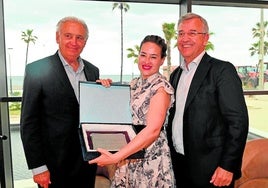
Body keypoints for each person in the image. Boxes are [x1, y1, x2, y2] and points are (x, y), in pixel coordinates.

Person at [20, 16, 111, 188]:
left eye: (79, 37)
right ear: (57, 37)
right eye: (68, 36)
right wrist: (38, 168)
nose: (74, 42)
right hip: (53, 166)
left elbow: (94, 116)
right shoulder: (36, 70)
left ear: (85, 42)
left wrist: (106, 93)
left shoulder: (93, 71)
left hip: (86, 163)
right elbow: (28, 123)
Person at [167, 12, 249, 188]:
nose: (185, 38)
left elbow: (238, 122)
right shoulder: (176, 74)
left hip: (212, 171)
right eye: (181, 33)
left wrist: (228, 166)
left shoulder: (222, 71)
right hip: (180, 165)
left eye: (192, 33)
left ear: (205, 39)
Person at [89, 35, 176, 187]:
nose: (146, 61)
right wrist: (106, 88)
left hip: (150, 158)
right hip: (128, 156)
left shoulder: (161, 87)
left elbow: (153, 131)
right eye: (143, 55)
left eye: (153, 57)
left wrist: (116, 157)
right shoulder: (134, 83)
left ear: (162, 60)